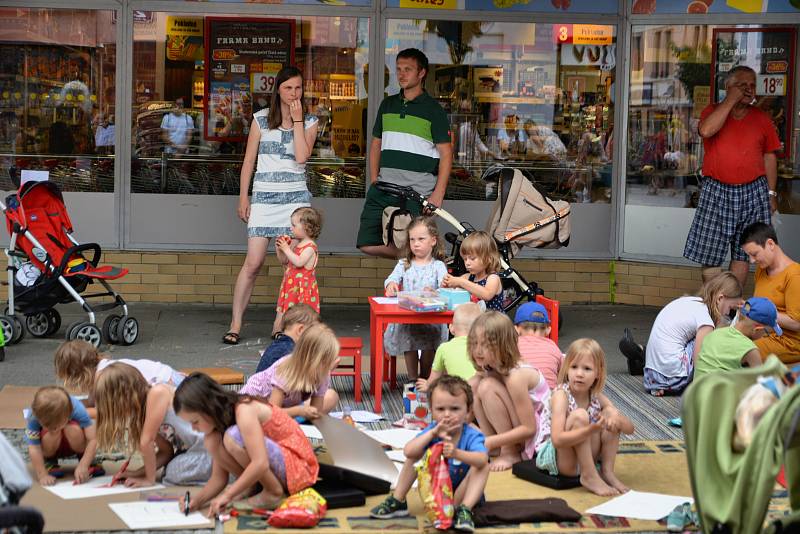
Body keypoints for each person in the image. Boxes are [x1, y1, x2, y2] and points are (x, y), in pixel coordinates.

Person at [224, 66, 319, 345]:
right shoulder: (261, 120)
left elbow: (301, 157)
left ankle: (280, 324)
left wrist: (299, 122)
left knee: (291, 266)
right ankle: (236, 323)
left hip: (294, 203)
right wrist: (244, 196)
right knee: (253, 263)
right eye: (288, 88)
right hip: (264, 198)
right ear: (278, 89)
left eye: (298, 88)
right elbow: (249, 162)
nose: (294, 93)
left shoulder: (311, 121)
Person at [685, 65, 780, 288]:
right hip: (716, 189)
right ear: (728, 87)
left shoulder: (761, 119)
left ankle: (730, 306)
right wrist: (730, 100)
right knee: (710, 253)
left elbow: (769, 157)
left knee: (743, 251)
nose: (749, 90)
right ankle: (713, 304)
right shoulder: (712, 111)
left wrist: (772, 193)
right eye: (742, 85)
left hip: (753, 190)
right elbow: (706, 130)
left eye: (752, 85)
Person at [174, 373, 318, 515]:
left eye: (195, 422)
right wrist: (197, 501)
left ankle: (273, 492)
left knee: (233, 437)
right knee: (212, 441)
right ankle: (254, 486)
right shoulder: (219, 424)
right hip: (281, 468)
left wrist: (228, 494)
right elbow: (219, 479)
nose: (194, 428)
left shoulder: (244, 410)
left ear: (208, 408)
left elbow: (260, 463)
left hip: (299, 467)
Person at [356, 48, 452, 259]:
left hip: (416, 192)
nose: (401, 74)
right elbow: (375, 145)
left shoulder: (433, 110)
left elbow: (446, 154)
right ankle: (415, 261)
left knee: (418, 244)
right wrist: (374, 180)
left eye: (408, 69)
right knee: (366, 242)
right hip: (384, 188)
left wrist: (438, 194)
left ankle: (419, 266)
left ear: (421, 73)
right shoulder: (387, 104)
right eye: (398, 69)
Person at [369, 375, 489, 532]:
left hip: (461, 494)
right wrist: (432, 434)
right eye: (440, 409)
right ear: (431, 411)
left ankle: (464, 510)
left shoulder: (471, 435)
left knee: (482, 466)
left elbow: (482, 459)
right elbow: (408, 451)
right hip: (435, 494)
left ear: (468, 412)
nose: (447, 414)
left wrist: (457, 453)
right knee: (416, 454)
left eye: (454, 409)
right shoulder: (432, 430)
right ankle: (398, 500)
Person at [533, 338, 634, 496]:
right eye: (574, 367)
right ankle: (589, 475)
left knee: (610, 419)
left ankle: (607, 472)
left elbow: (629, 429)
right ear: (567, 369)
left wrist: (612, 414)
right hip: (558, 459)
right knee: (580, 416)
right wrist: (589, 430)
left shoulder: (595, 396)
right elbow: (557, 439)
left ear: (597, 373)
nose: (579, 374)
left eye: (587, 369)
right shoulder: (561, 395)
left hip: (584, 459)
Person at [619, 272, 743, 396]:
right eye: (731, 309)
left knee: (692, 338)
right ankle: (676, 382)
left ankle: (648, 363)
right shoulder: (705, 321)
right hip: (673, 378)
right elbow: (700, 360)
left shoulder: (691, 302)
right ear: (720, 298)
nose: (728, 314)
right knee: (709, 339)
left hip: (651, 376)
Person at [94, 363, 211, 487]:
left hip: (210, 449)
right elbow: (166, 452)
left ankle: (219, 473)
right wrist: (137, 473)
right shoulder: (143, 411)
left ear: (122, 396)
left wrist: (149, 480)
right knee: (171, 468)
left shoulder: (157, 392)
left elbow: (146, 441)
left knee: (172, 473)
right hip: (194, 450)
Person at [468, 311, 547, 471]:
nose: (478, 350)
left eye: (485, 345)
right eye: (474, 343)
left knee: (487, 386)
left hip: (538, 435)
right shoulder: (491, 365)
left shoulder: (516, 376)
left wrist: (491, 440)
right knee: (474, 385)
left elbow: (529, 428)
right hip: (519, 429)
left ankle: (509, 451)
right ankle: (496, 446)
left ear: (503, 345)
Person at [384, 217, 449, 383]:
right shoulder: (404, 263)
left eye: (421, 239)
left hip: (431, 318)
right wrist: (391, 284)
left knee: (429, 345)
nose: (416, 244)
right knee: (409, 343)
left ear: (433, 241)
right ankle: (412, 378)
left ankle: (425, 377)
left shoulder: (438, 266)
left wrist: (435, 291)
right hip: (409, 318)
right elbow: (392, 278)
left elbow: (445, 288)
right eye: (412, 239)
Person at [53, 340, 186, 418]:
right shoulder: (100, 368)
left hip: (169, 386)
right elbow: (92, 402)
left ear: (76, 374)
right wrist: (67, 407)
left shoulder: (104, 377)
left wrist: (67, 415)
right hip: (169, 376)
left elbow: (103, 412)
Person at [239, 323, 340, 419]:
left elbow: (316, 412)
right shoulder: (286, 370)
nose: (330, 364)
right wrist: (299, 411)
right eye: (326, 360)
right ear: (311, 359)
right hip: (252, 407)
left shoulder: (323, 373)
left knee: (332, 396)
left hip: (284, 408)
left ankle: (293, 420)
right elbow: (272, 414)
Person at [740, 222, 800, 363]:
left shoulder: (794, 276)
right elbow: (759, 304)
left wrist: (762, 313)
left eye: (754, 254)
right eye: (749, 255)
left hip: (789, 342)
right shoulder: (762, 269)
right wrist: (747, 307)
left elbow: (796, 323)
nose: (752, 260)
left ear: (770, 244)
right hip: (764, 332)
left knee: (738, 353)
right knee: (722, 340)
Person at [26, 386, 102, 486]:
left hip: (74, 442)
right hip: (50, 447)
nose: (53, 429)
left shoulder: (77, 408)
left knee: (73, 429)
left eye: (56, 426)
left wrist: (84, 464)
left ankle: (86, 459)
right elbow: (34, 447)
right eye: (47, 426)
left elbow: (92, 438)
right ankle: (49, 461)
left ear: (68, 415)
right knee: (50, 434)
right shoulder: (33, 416)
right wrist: (42, 475)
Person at [694, 297, 779, 380]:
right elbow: (762, 383)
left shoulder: (714, 334)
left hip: (697, 392)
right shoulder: (749, 349)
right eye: (766, 333)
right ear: (757, 329)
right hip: (721, 394)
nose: (764, 336)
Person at [273, 206, 322, 336]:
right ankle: (286, 333)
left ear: (307, 228)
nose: (291, 228)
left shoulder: (310, 246)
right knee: (288, 311)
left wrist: (287, 249)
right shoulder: (298, 244)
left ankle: (307, 335)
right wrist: (280, 249)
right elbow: (285, 261)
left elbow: (299, 262)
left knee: (302, 313)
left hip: (302, 288)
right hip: (291, 286)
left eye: (294, 225)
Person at [416, 302, 482, 392]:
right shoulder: (483, 348)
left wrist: (427, 385)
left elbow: (434, 378)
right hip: (479, 392)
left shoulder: (443, 348)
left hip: (457, 394)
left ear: (451, 328)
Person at [442, 231, 504, 311]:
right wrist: (447, 283)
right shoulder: (467, 277)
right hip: (474, 321)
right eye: (465, 259)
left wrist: (461, 282)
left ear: (488, 258)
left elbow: (487, 295)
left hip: (492, 322)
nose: (467, 263)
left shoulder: (493, 278)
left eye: (472, 258)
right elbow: (451, 292)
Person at [256, 303, 319, 373]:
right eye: (314, 332)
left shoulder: (277, 345)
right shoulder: (290, 353)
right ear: (300, 330)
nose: (315, 337)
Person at [514, 301, 563, 389]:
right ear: (548, 330)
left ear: (516, 329)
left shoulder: (512, 345)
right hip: (548, 398)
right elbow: (563, 373)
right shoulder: (553, 347)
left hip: (520, 396)